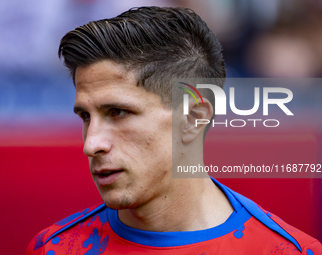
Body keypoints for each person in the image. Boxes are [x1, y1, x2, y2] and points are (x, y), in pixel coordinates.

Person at [26, 6, 322, 254]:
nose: (91, 144)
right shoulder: (56, 247)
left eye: (118, 112)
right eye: (85, 116)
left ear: (194, 118)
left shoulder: (287, 251)